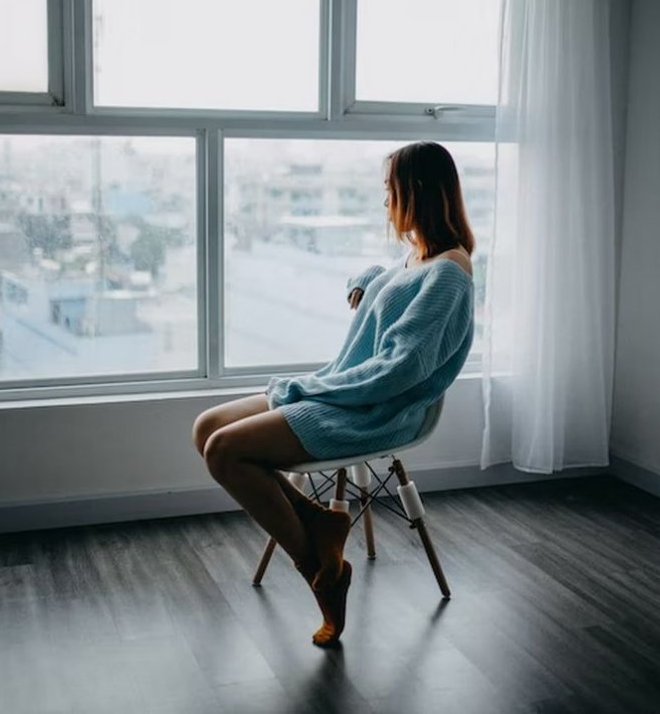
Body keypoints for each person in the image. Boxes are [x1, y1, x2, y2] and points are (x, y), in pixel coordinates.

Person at [192, 141, 476, 647]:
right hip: (347, 392)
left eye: (390, 190)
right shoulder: (418, 256)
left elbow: (400, 370)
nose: (384, 201)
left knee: (224, 450)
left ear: (415, 193)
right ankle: (321, 527)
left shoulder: (449, 274)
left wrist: (309, 388)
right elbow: (388, 281)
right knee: (207, 426)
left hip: (376, 411)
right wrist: (364, 281)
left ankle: (320, 573)